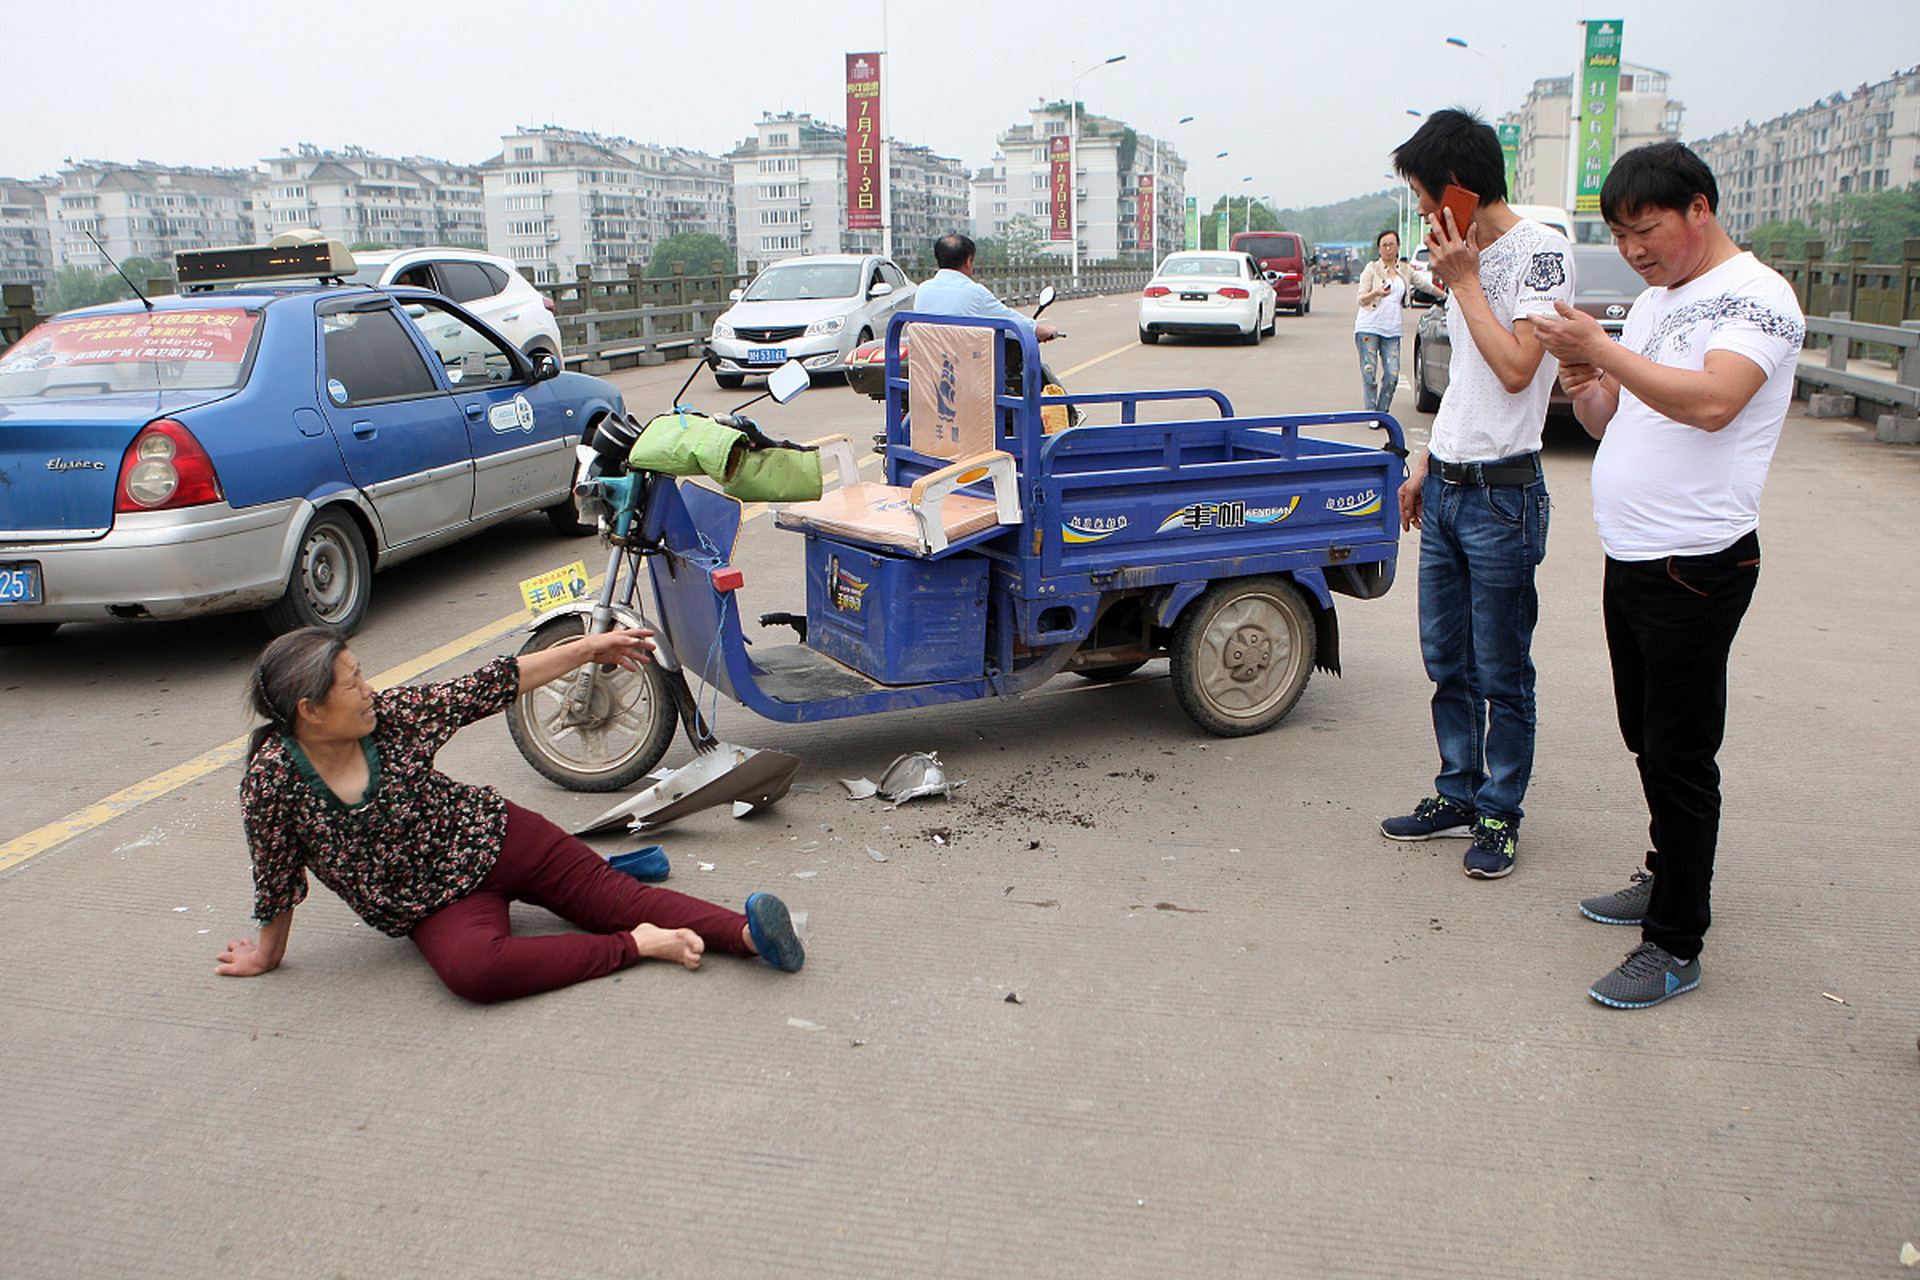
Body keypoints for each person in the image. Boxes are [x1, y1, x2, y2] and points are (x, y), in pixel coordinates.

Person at [1530, 142, 1804, 1009]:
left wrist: (1603, 352)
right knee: (1645, 735)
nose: (1634, 250)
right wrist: (1584, 376)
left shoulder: (1757, 297)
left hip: (1698, 561)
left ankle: (1676, 942)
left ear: (1698, 209)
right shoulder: (1653, 304)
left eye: (1645, 230)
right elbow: (1610, 421)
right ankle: (1666, 871)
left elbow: (1715, 403)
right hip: (1634, 554)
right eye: (1620, 235)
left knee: (1681, 754)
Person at [215, 626, 805, 1002]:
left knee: (613, 900)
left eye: (362, 674)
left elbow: (490, 684)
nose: (369, 690)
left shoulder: (393, 716)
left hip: (494, 835)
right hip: (436, 905)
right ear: (309, 711)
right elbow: (276, 874)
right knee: (475, 973)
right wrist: (267, 954)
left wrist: (590, 648)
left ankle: (749, 936)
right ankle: (641, 943)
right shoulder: (273, 783)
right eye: (352, 684)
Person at [1378, 108, 1575, 879]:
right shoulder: (1467, 256)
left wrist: (1464, 284)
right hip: (1449, 489)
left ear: (1459, 187)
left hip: (1503, 498)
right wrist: (1427, 460)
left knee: (1502, 670)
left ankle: (1499, 812)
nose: (1425, 216)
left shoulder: (1541, 253)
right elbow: (1463, 380)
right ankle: (1457, 791)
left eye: (1427, 199)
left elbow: (1519, 369)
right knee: (1447, 660)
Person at [1352, 227, 1439, 414]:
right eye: (1384, 245)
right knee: (1369, 373)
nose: (1388, 248)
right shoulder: (1372, 269)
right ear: (1379, 248)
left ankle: (1382, 412)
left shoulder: (1405, 270)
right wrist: (1376, 292)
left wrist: (1446, 296)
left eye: (1391, 244)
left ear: (1398, 246)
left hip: (1392, 330)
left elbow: (1425, 285)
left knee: (1392, 375)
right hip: (1368, 327)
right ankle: (1371, 412)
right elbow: (1361, 298)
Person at [914, 233, 1059, 342]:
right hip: (966, 366)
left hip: (929, 367)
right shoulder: (975, 293)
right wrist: (1042, 330)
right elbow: (1011, 320)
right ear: (968, 262)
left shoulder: (922, 290)